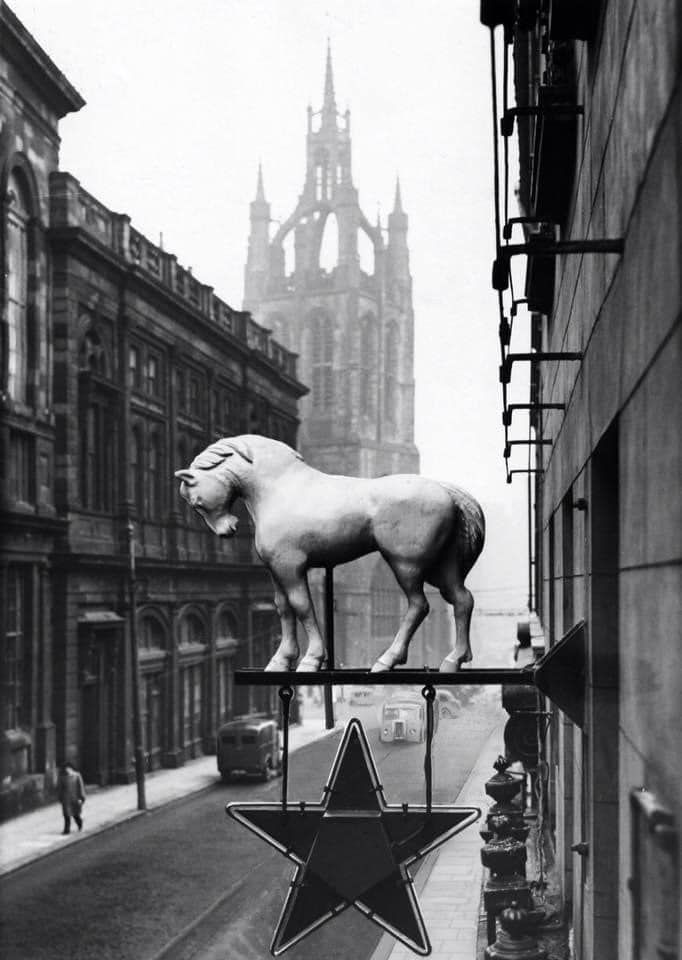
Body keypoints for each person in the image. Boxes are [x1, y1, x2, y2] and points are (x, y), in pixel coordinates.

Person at [57, 761, 86, 835]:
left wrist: (81, 797)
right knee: (66, 815)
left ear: (71, 768)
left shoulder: (77, 776)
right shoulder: (62, 777)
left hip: (75, 798)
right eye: (66, 769)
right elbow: (60, 788)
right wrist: (60, 798)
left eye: (68, 769)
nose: (67, 770)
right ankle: (66, 830)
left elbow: (81, 787)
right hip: (66, 799)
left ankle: (79, 823)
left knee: (76, 814)